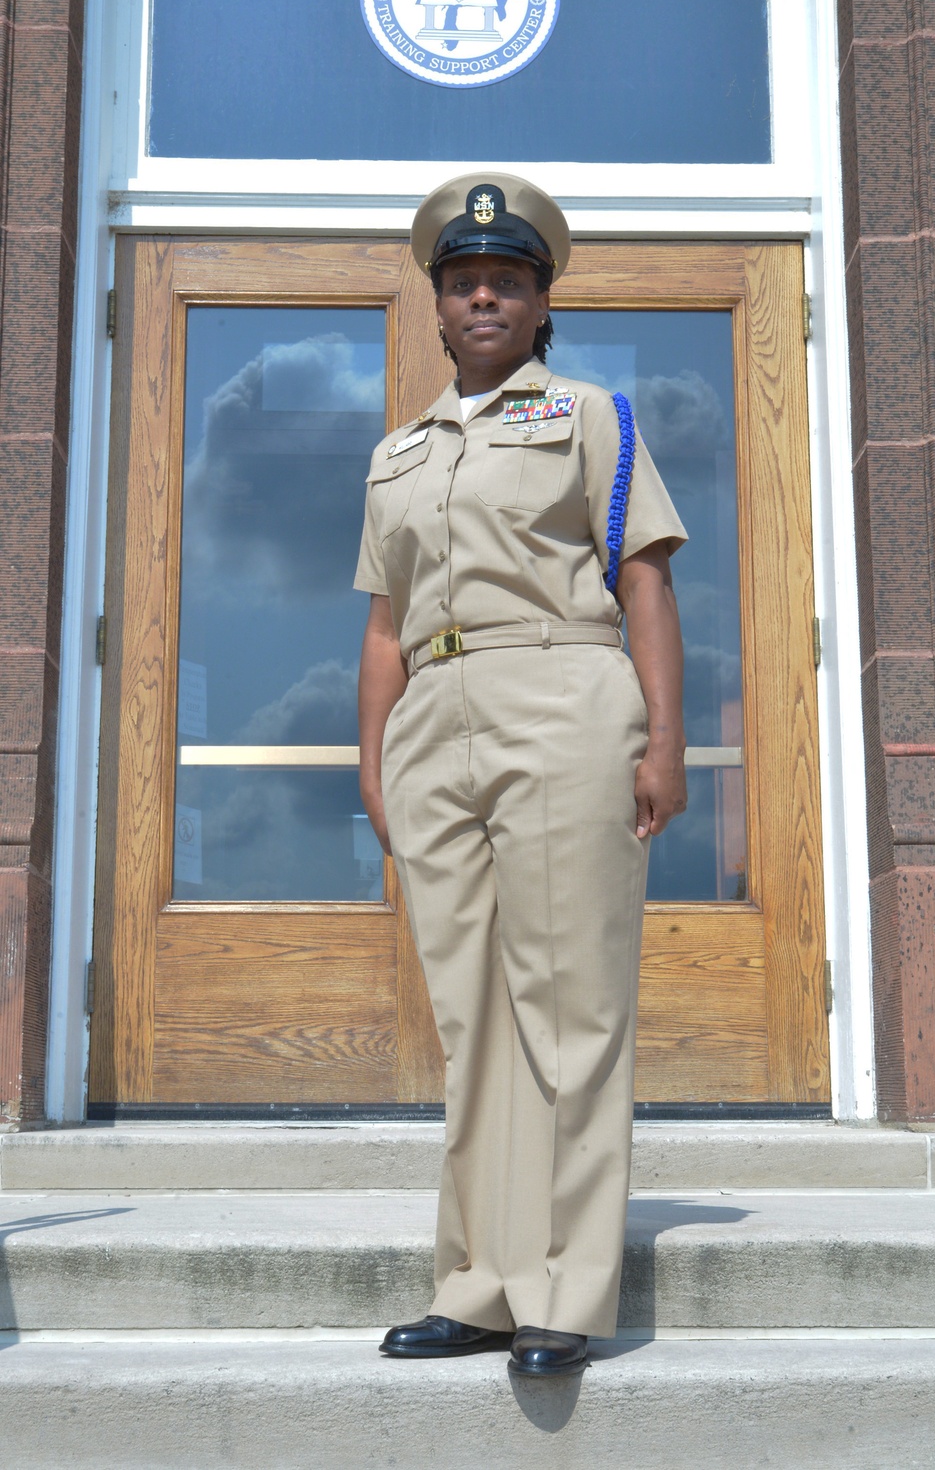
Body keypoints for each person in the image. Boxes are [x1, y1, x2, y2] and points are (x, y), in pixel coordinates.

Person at [354, 173, 687, 1379]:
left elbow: (645, 580)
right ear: (436, 308)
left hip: (562, 693)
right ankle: (480, 1284)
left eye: (504, 279)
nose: (480, 295)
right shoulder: (398, 451)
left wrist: (664, 744)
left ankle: (565, 1291)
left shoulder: (590, 414)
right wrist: (374, 758)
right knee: (473, 1020)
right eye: (460, 282)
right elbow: (385, 623)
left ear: (541, 301)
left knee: (569, 1005)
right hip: (432, 719)